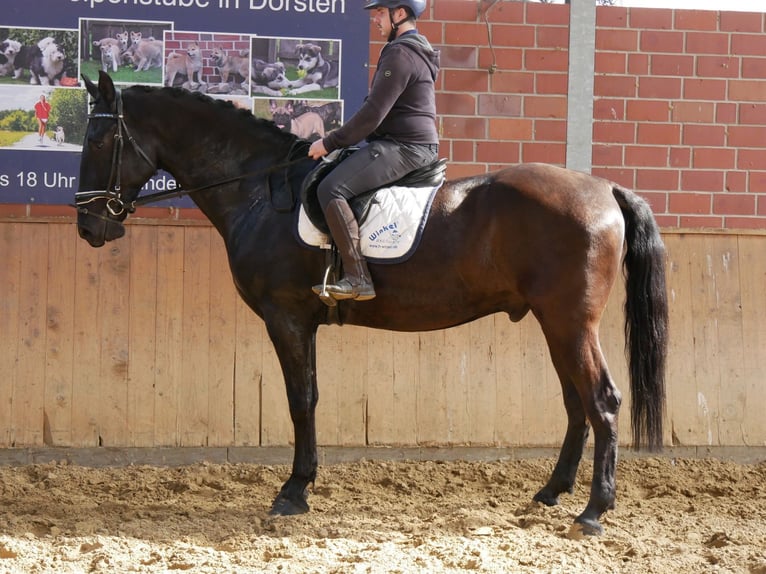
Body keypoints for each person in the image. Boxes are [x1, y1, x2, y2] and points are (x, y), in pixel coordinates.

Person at [309, 0, 440, 301]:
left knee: (330, 188)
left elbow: (372, 115)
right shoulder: (414, 49)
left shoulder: (401, 52)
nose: (375, 19)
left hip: (405, 147)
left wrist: (328, 142)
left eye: (380, 12)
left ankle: (357, 278)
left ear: (400, 13)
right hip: (408, 144)